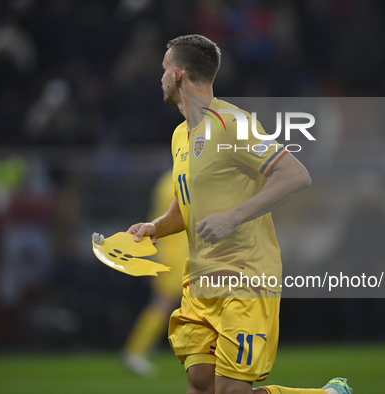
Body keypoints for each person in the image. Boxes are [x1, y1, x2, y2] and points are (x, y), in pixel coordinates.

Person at [127, 35, 351, 394]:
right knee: (200, 384)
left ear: (180, 75)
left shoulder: (232, 124)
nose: (162, 78)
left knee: (231, 391)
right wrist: (154, 227)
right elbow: (187, 204)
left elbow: (295, 175)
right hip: (202, 280)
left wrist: (232, 217)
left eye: (165, 69)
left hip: (246, 277)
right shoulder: (180, 135)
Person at [122, 170, 189, 377]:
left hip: (170, 250)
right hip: (178, 252)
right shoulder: (187, 178)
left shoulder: (166, 180)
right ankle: (135, 351)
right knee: (163, 302)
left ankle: (138, 350)